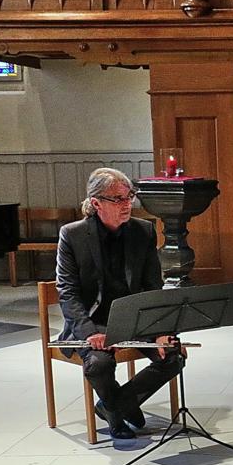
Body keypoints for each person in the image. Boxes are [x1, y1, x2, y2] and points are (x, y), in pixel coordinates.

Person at [56, 168, 181, 440]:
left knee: (172, 355)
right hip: (94, 321)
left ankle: (115, 406)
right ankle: (121, 411)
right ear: (96, 202)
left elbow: (152, 286)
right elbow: (68, 292)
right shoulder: (72, 235)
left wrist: (160, 329)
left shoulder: (143, 231)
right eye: (118, 199)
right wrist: (90, 333)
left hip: (135, 318)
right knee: (98, 365)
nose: (127, 205)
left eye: (129, 197)